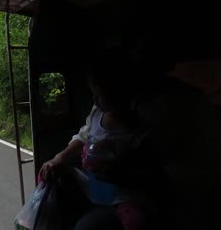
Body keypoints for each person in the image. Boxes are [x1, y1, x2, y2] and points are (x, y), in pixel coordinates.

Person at [39, 59, 174, 230]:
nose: (95, 99)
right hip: (93, 183)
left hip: (124, 193)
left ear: (121, 93)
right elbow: (83, 136)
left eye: (100, 93)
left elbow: (152, 170)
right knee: (49, 175)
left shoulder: (142, 128)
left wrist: (121, 169)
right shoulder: (97, 112)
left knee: (133, 219)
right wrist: (59, 158)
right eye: (93, 93)